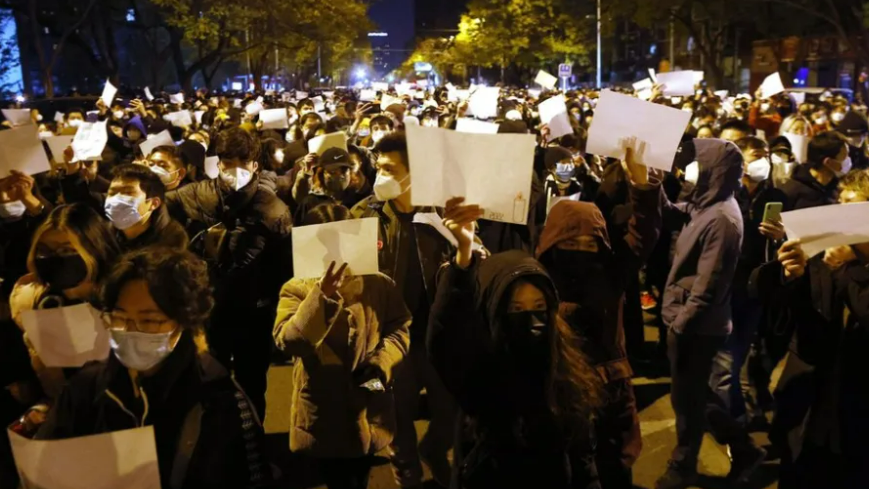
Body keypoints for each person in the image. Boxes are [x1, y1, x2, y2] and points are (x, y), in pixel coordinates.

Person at [36, 248, 273, 489]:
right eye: (119, 317)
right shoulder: (86, 389)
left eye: (149, 321)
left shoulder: (221, 402)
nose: (130, 331)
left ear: (182, 322)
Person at [427, 197, 604, 489]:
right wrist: (463, 256)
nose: (531, 321)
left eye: (538, 307)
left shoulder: (567, 371)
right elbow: (445, 340)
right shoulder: (479, 374)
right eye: (516, 310)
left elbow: (584, 460)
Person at [536, 148, 662, 489]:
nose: (579, 248)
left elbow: (643, 234)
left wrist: (641, 185)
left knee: (615, 465)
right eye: (569, 241)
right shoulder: (538, 280)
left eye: (588, 242)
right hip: (560, 388)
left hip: (611, 389)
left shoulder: (611, 273)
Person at [273, 203, 411, 489]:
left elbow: (400, 329)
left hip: (370, 400)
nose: (334, 254)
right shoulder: (296, 288)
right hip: (321, 408)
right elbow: (288, 342)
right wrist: (320, 297)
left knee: (361, 473)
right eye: (324, 244)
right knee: (335, 477)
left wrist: (381, 363)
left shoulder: (379, 284)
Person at [351, 132, 457, 489]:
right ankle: (407, 476)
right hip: (389, 339)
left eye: (390, 169)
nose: (381, 175)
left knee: (450, 412)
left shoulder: (443, 213)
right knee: (396, 416)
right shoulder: (363, 215)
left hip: (437, 335)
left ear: (414, 173)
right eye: (378, 167)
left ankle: (435, 448)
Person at [751, 169, 869, 489]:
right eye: (840, 206)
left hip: (856, 413)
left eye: (854, 210)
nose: (842, 219)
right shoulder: (823, 254)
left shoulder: (843, 262)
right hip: (808, 404)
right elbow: (790, 313)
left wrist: (850, 266)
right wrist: (792, 276)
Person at [165, 127, 293, 419]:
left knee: (252, 385)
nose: (234, 169)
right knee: (210, 384)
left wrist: (274, 307)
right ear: (218, 163)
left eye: (242, 162)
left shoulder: (273, 209)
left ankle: (255, 447)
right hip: (209, 311)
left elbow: (284, 268)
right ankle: (219, 450)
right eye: (227, 161)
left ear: (255, 165)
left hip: (254, 313)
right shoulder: (196, 195)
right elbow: (158, 212)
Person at [655, 139, 754, 489]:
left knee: (688, 403)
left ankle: (684, 465)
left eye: (697, 163)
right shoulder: (706, 205)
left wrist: (680, 327)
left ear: (715, 169)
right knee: (695, 396)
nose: (689, 169)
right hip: (687, 319)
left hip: (697, 326)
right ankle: (744, 448)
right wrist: (651, 183)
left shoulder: (724, 219)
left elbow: (708, 285)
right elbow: (672, 214)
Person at [9, 204, 121, 402]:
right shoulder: (42, 300)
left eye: (67, 250)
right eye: (45, 251)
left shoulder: (123, 302)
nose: (55, 259)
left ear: (94, 249)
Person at [781, 131, 850, 210]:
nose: (848, 160)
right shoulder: (792, 190)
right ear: (828, 162)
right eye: (845, 156)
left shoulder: (839, 189)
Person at [292, 148, 354, 224]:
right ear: (322, 173)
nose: (340, 176)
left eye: (344, 171)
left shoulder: (357, 196)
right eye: (333, 172)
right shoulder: (311, 202)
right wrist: (306, 172)